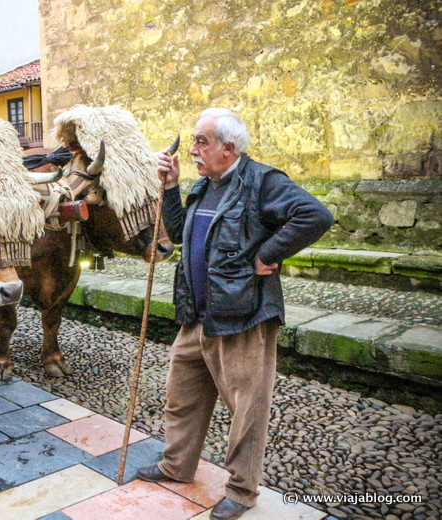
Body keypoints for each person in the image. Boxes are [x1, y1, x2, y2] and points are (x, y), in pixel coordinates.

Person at [136, 108, 333, 520]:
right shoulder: (204, 185)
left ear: (229, 147)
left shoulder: (263, 181)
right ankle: (177, 466)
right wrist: (171, 186)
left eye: (201, 141)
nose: (192, 149)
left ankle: (242, 492)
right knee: (182, 397)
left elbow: (316, 215)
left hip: (243, 317)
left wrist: (268, 253)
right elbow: (177, 231)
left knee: (247, 410)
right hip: (197, 315)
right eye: (192, 140)